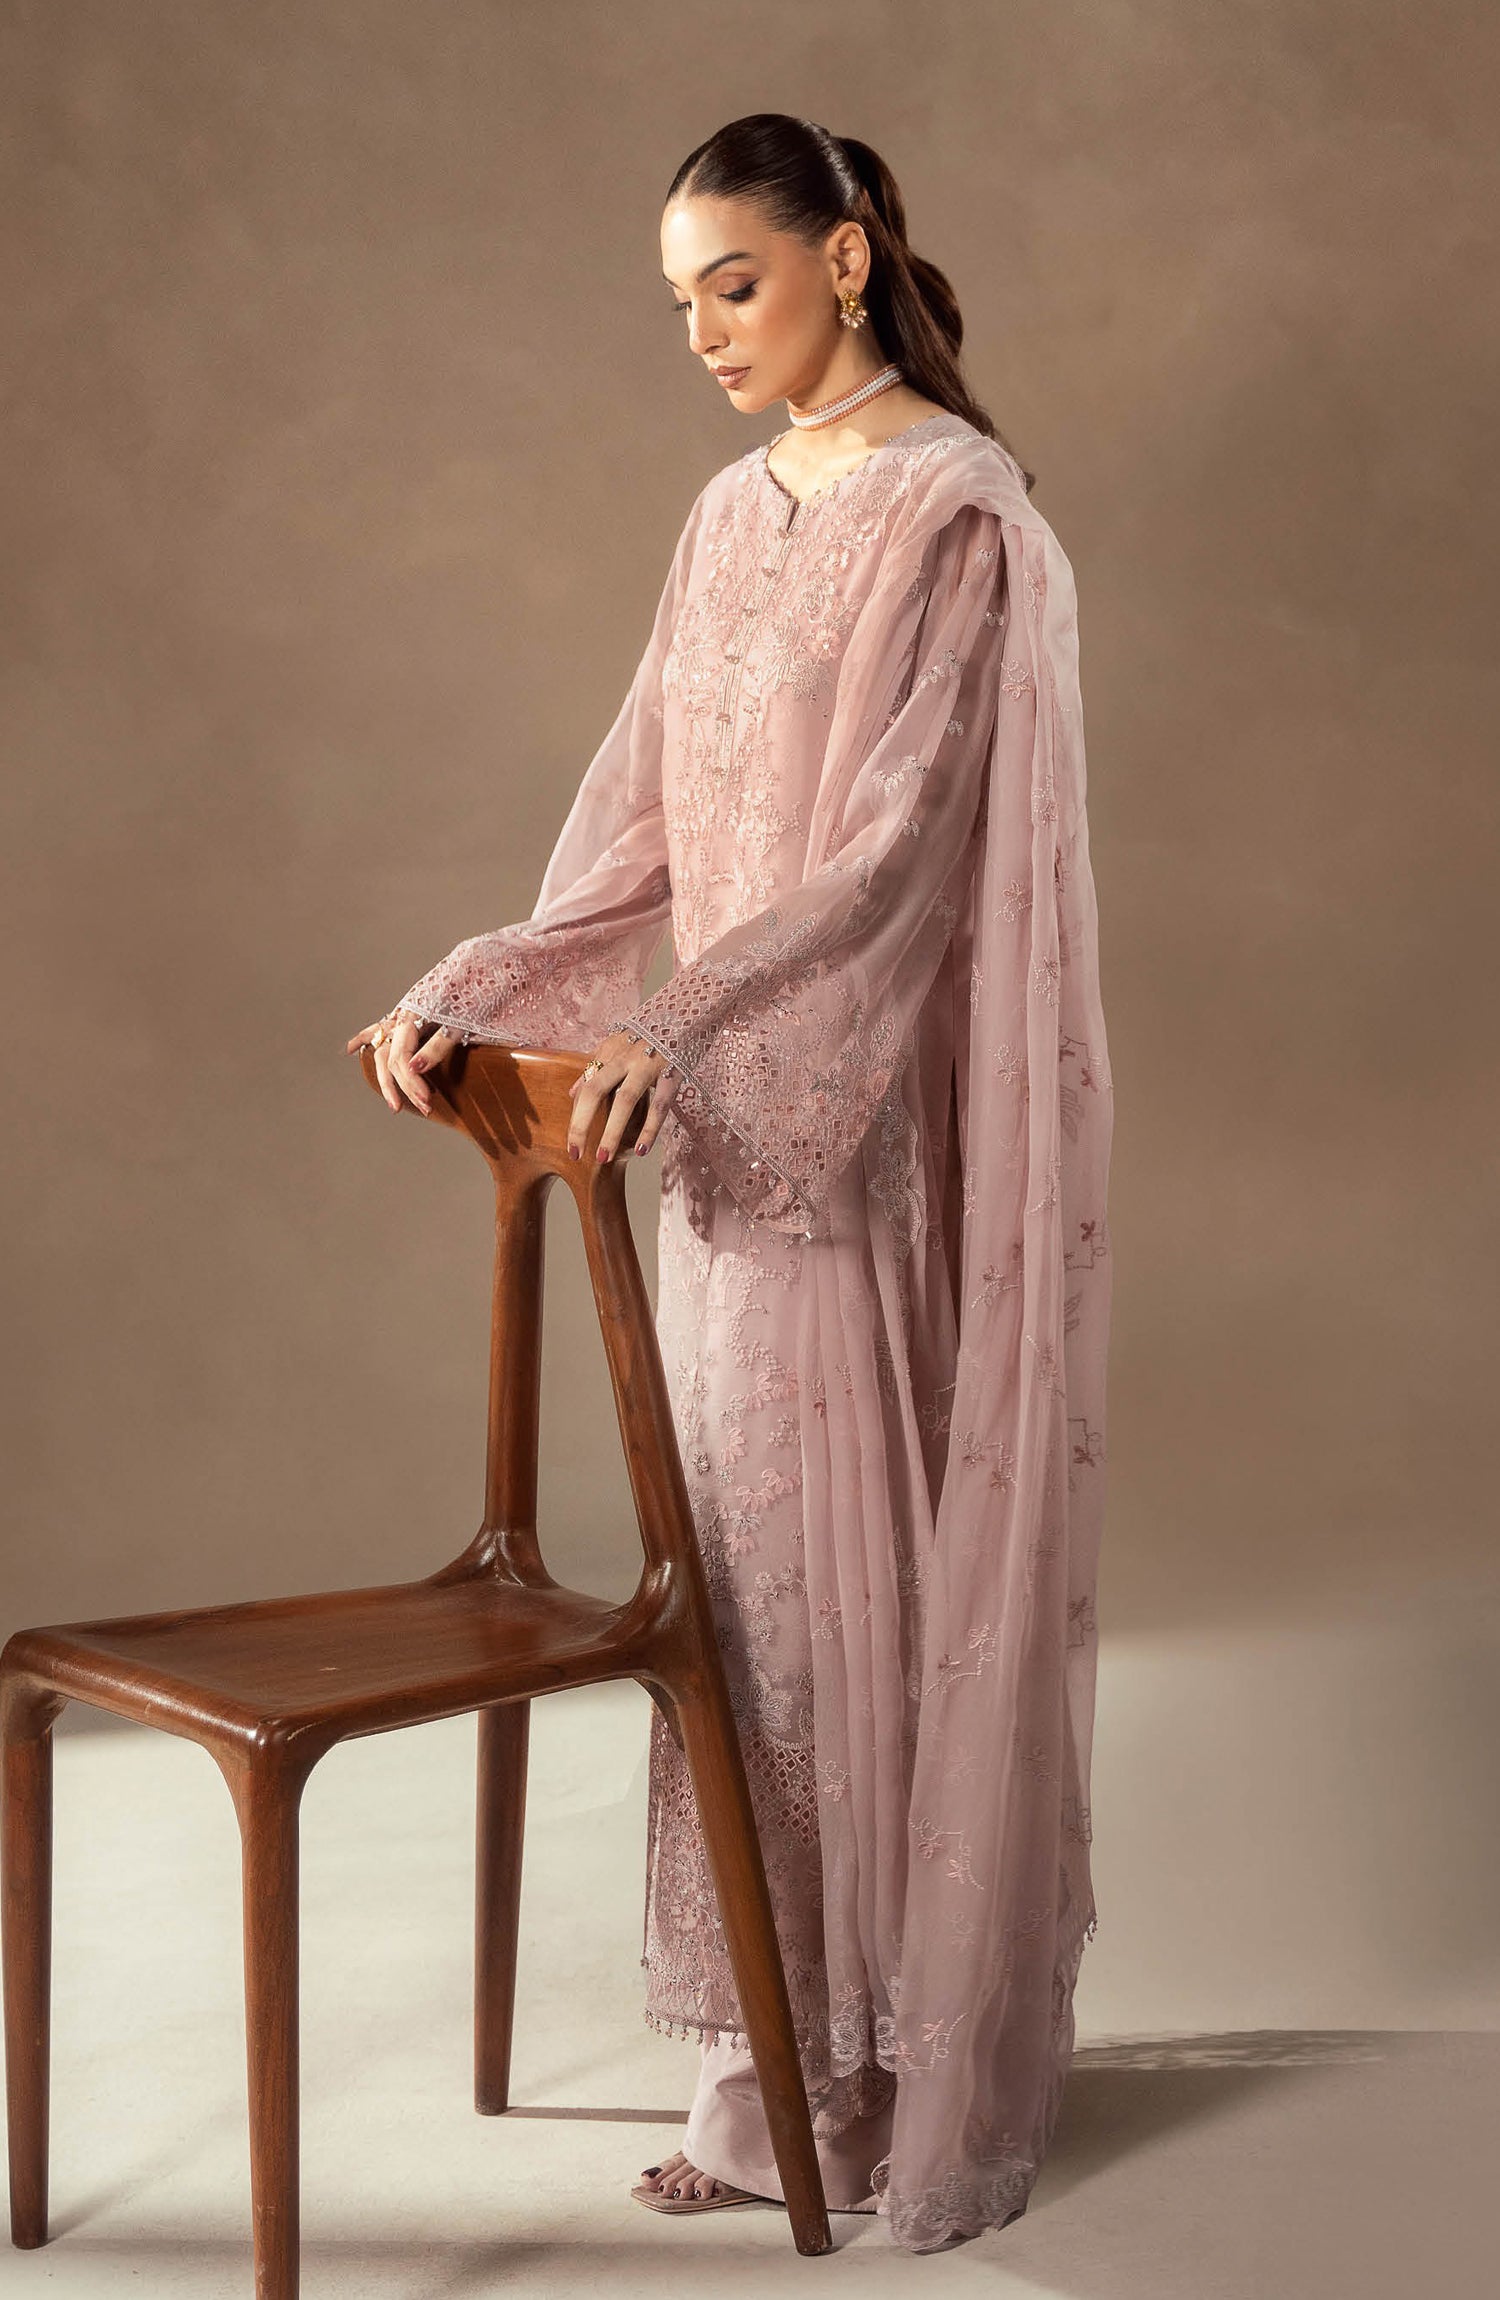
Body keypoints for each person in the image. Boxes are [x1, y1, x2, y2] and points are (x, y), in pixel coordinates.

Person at [346, 113, 1113, 2255]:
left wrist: (679, 1031)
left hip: (848, 1127)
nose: (700, 330)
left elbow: (896, 851)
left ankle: (863, 2075)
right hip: (723, 1140)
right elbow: (644, 821)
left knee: (839, 1587)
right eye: (678, 297)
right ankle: (771, 2064)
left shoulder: (961, 515)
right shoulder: (722, 513)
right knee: (744, 1603)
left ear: (847, 258)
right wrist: (471, 985)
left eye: (736, 283)